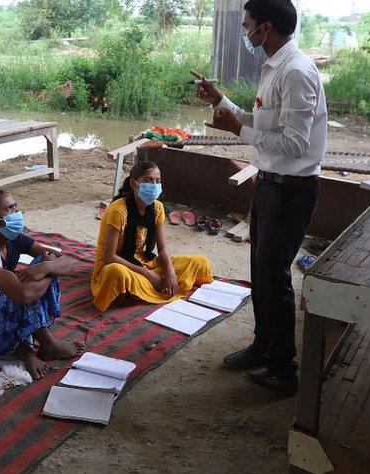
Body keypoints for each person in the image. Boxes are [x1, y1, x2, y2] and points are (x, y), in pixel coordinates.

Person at [195, 0, 327, 393]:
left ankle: (284, 370)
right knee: (260, 271)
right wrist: (221, 102)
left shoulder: (298, 72)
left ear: (265, 28)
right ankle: (263, 346)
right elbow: (261, 122)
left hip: (292, 190)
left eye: (247, 25)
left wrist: (239, 132)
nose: (245, 32)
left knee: (275, 276)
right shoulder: (274, 69)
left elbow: (295, 143)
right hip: (270, 184)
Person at [0, 189, 85, 379]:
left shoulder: (12, 239)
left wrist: (46, 266)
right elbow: (23, 296)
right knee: (25, 285)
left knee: (42, 264)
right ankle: (29, 349)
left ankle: (39, 344)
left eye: (15, 206)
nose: (17, 213)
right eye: (9, 209)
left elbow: (65, 261)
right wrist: (47, 270)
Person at [92, 162, 214, 311]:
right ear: (134, 183)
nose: (154, 185)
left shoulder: (157, 208)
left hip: (145, 261)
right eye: (148, 180)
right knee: (115, 273)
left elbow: (162, 248)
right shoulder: (118, 211)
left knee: (200, 262)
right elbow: (109, 257)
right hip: (121, 264)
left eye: (158, 181)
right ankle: (144, 287)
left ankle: (142, 290)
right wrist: (148, 274)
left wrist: (169, 272)